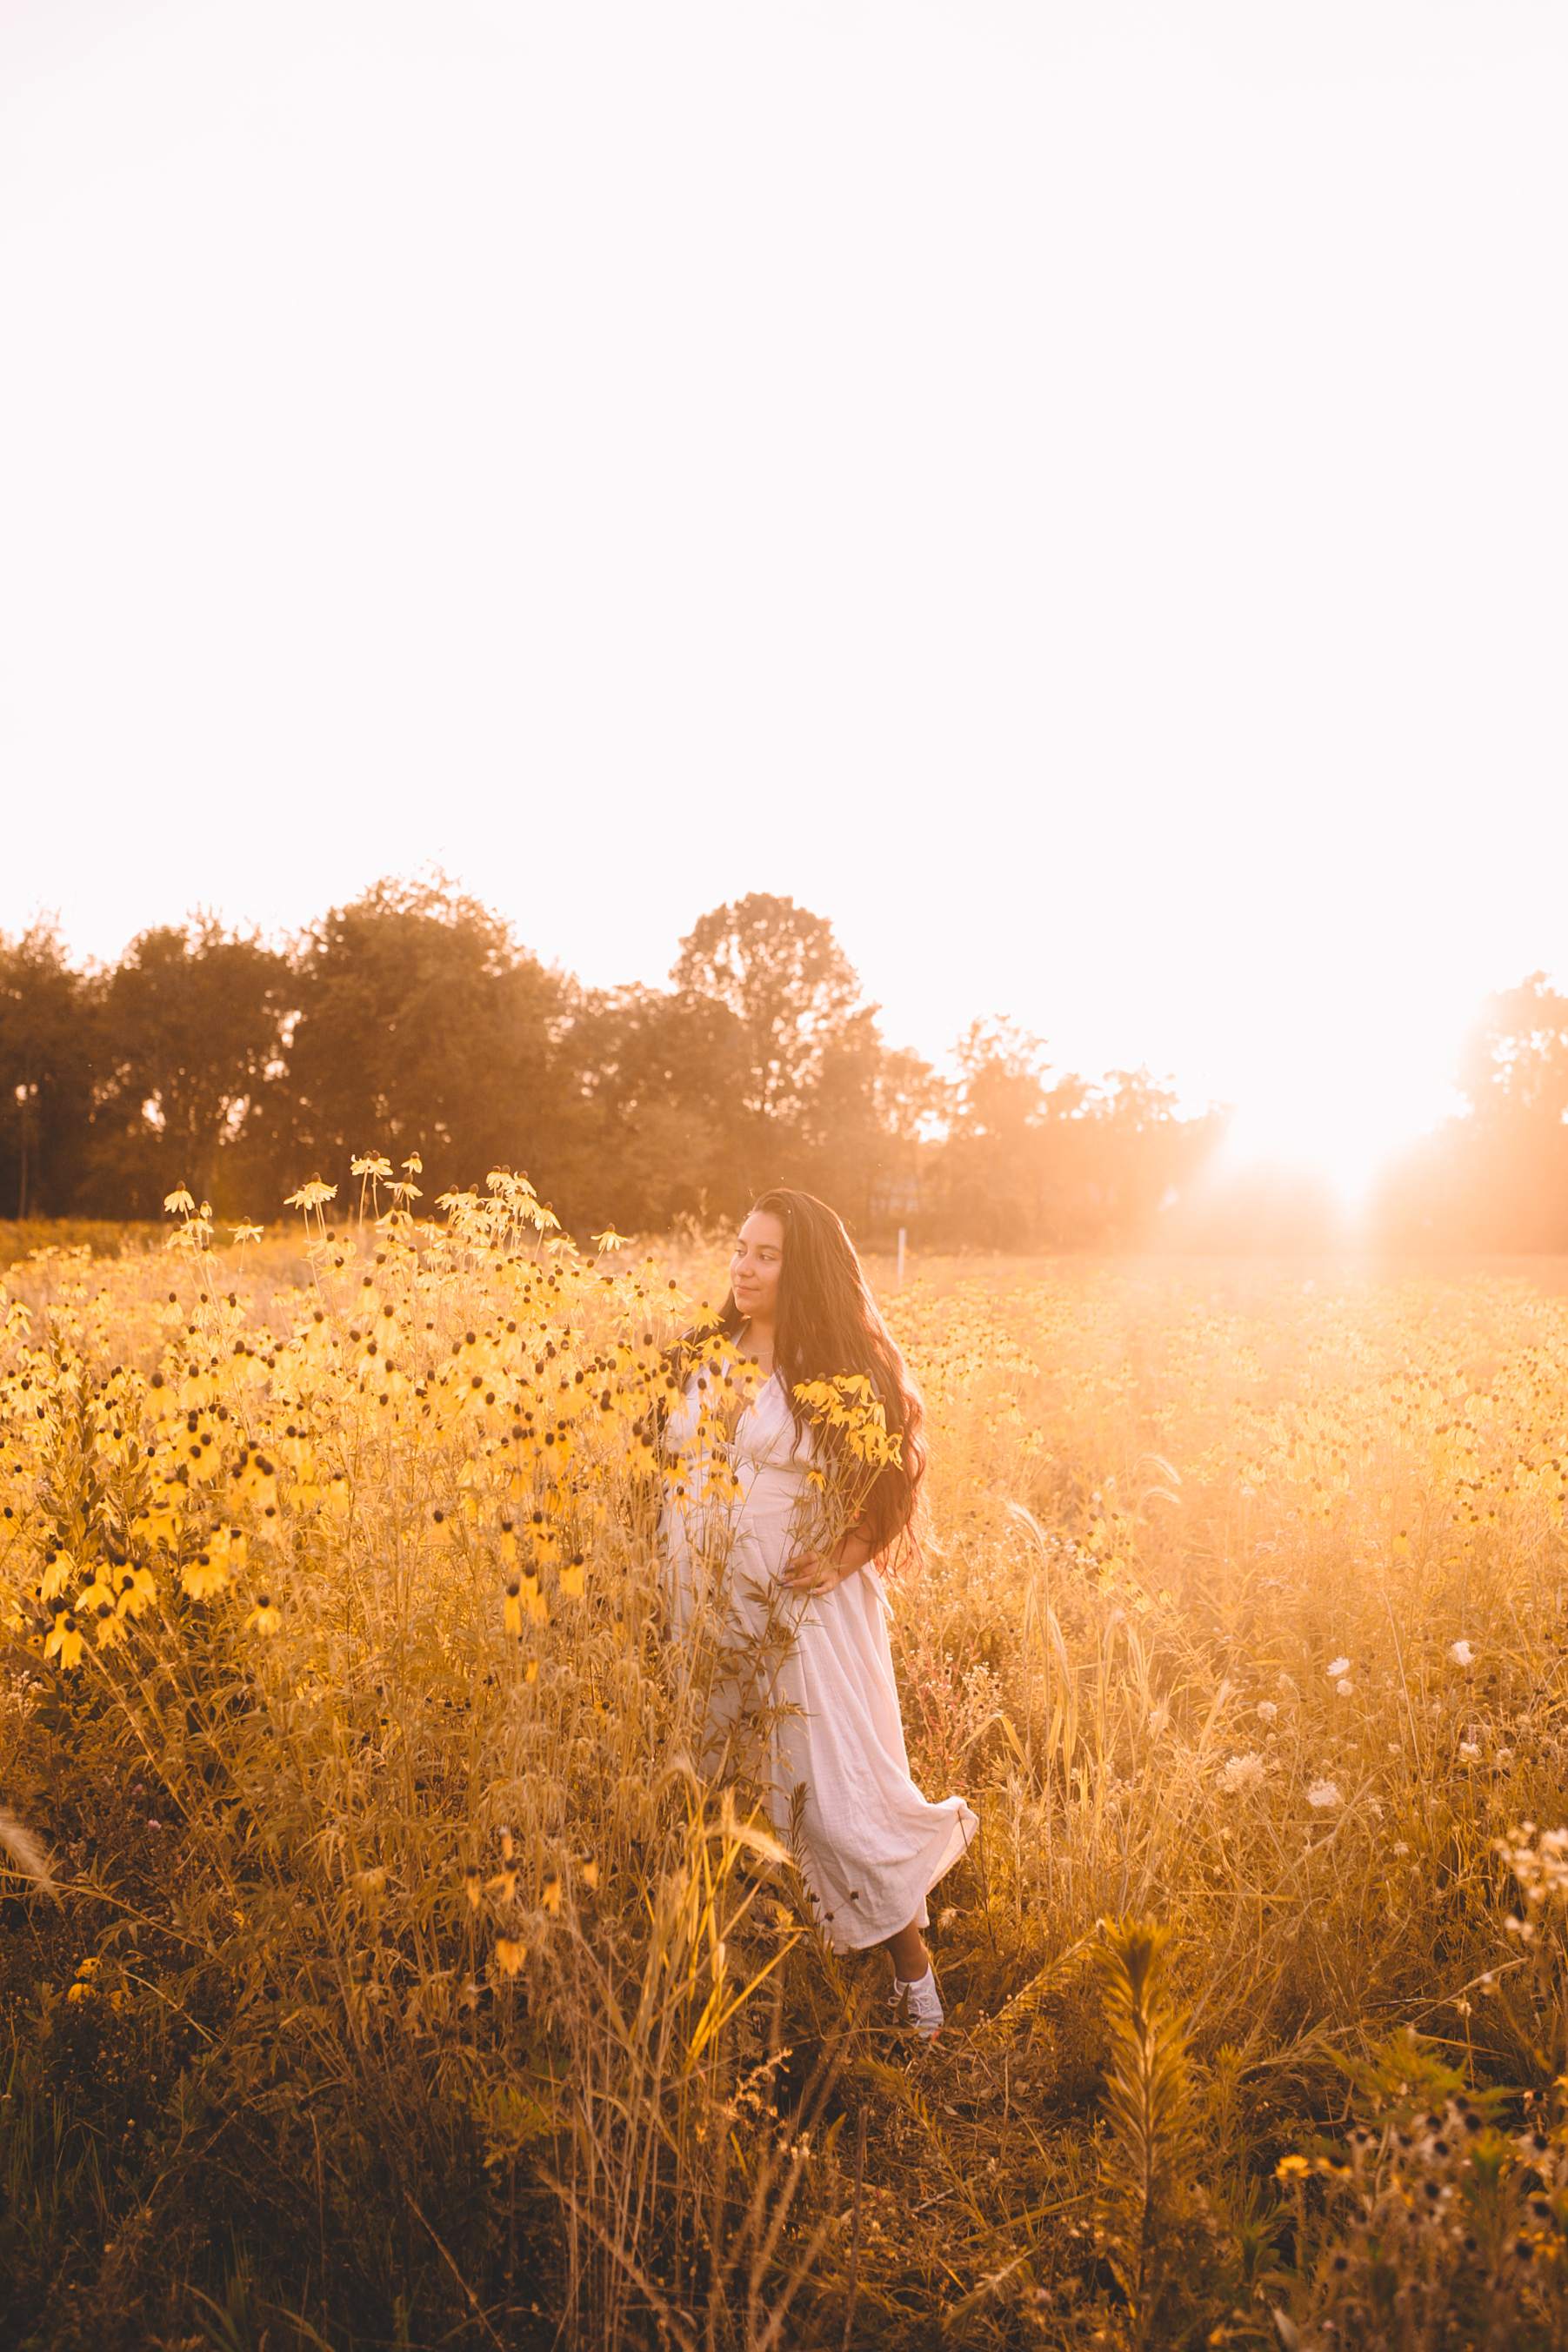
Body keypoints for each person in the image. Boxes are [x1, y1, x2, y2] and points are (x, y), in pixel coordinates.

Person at [660, 1187, 977, 2037]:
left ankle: (913, 1972)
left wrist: (839, 1558)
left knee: (831, 1797)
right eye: (739, 1248)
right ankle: (731, 1979)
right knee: (716, 1787)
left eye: (766, 1254)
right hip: (702, 1606)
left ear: (803, 1270)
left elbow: (891, 1478)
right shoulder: (700, 1351)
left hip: (802, 1611)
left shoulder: (835, 1367)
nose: (744, 1266)